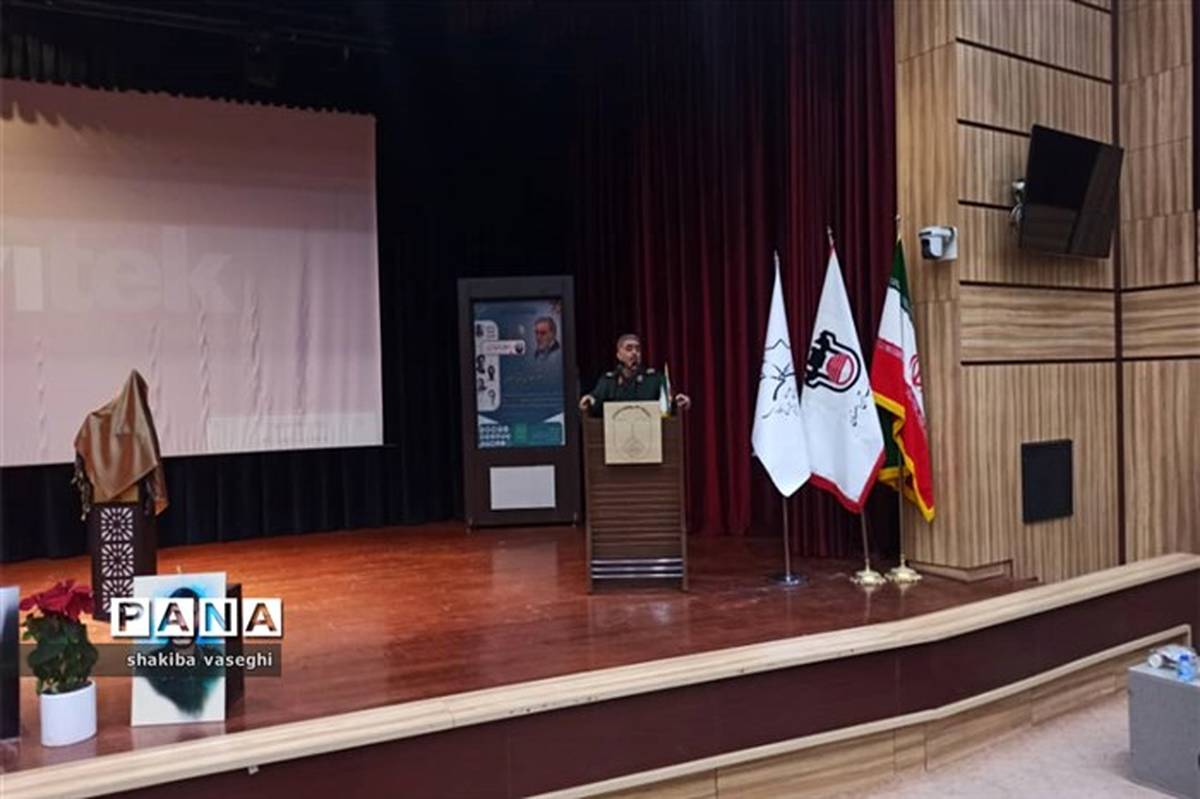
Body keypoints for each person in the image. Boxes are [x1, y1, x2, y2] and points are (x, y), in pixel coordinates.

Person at [578, 333, 690, 416]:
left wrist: (678, 401)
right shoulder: (609, 381)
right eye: (629, 349)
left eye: (638, 349)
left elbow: (667, 402)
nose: (634, 353)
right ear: (619, 355)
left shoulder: (654, 379)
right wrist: (588, 401)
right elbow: (595, 402)